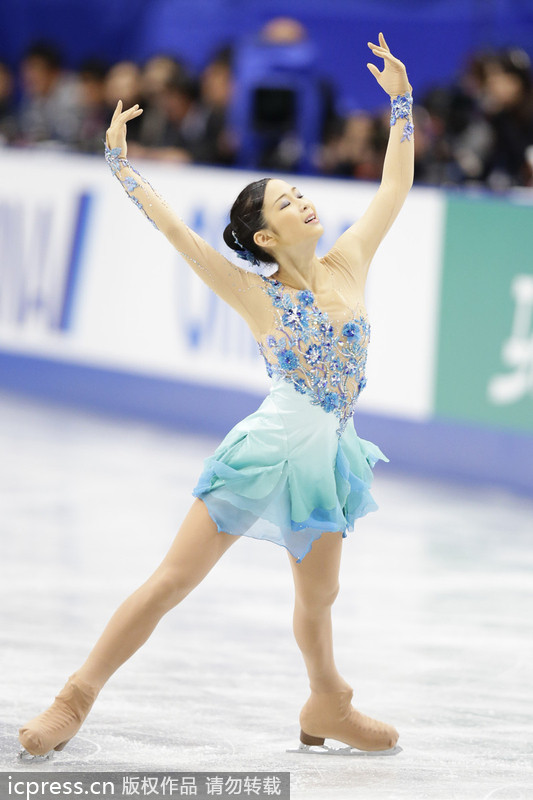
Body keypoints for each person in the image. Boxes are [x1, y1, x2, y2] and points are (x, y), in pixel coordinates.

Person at [18, 32, 413, 758]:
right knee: (172, 580)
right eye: (286, 202)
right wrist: (119, 164)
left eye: (299, 194)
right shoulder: (249, 292)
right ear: (264, 236)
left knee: (317, 599)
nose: (302, 202)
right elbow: (176, 231)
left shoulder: (348, 260)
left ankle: (327, 702)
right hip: (264, 452)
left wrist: (400, 105)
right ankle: (73, 697)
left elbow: (392, 188)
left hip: (327, 458)